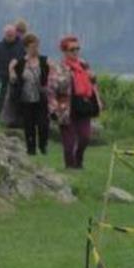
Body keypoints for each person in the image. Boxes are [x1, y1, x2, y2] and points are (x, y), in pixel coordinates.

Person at [48, 35, 100, 169]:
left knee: (85, 137)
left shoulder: (84, 65)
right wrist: (53, 108)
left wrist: (97, 98)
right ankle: (70, 166)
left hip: (84, 105)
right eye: (72, 49)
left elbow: (93, 84)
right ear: (64, 51)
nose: (76, 52)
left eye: (77, 48)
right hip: (66, 108)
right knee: (69, 142)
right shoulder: (58, 68)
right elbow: (51, 90)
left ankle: (79, 159)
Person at [7, 33, 51, 155]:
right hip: (25, 98)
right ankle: (30, 149)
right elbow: (13, 80)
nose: (35, 49)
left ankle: (43, 146)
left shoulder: (44, 61)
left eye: (37, 46)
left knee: (43, 124)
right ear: (26, 47)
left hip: (41, 98)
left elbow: (52, 75)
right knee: (29, 125)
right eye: (32, 46)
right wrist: (11, 70)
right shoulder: (20, 63)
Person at [0, 25, 23, 116]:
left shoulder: (22, 46)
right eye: (7, 35)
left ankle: (15, 118)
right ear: (4, 34)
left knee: (15, 97)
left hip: (17, 77)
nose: (9, 37)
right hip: (1, 76)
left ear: (15, 34)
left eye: (11, 35)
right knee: (2, 96)